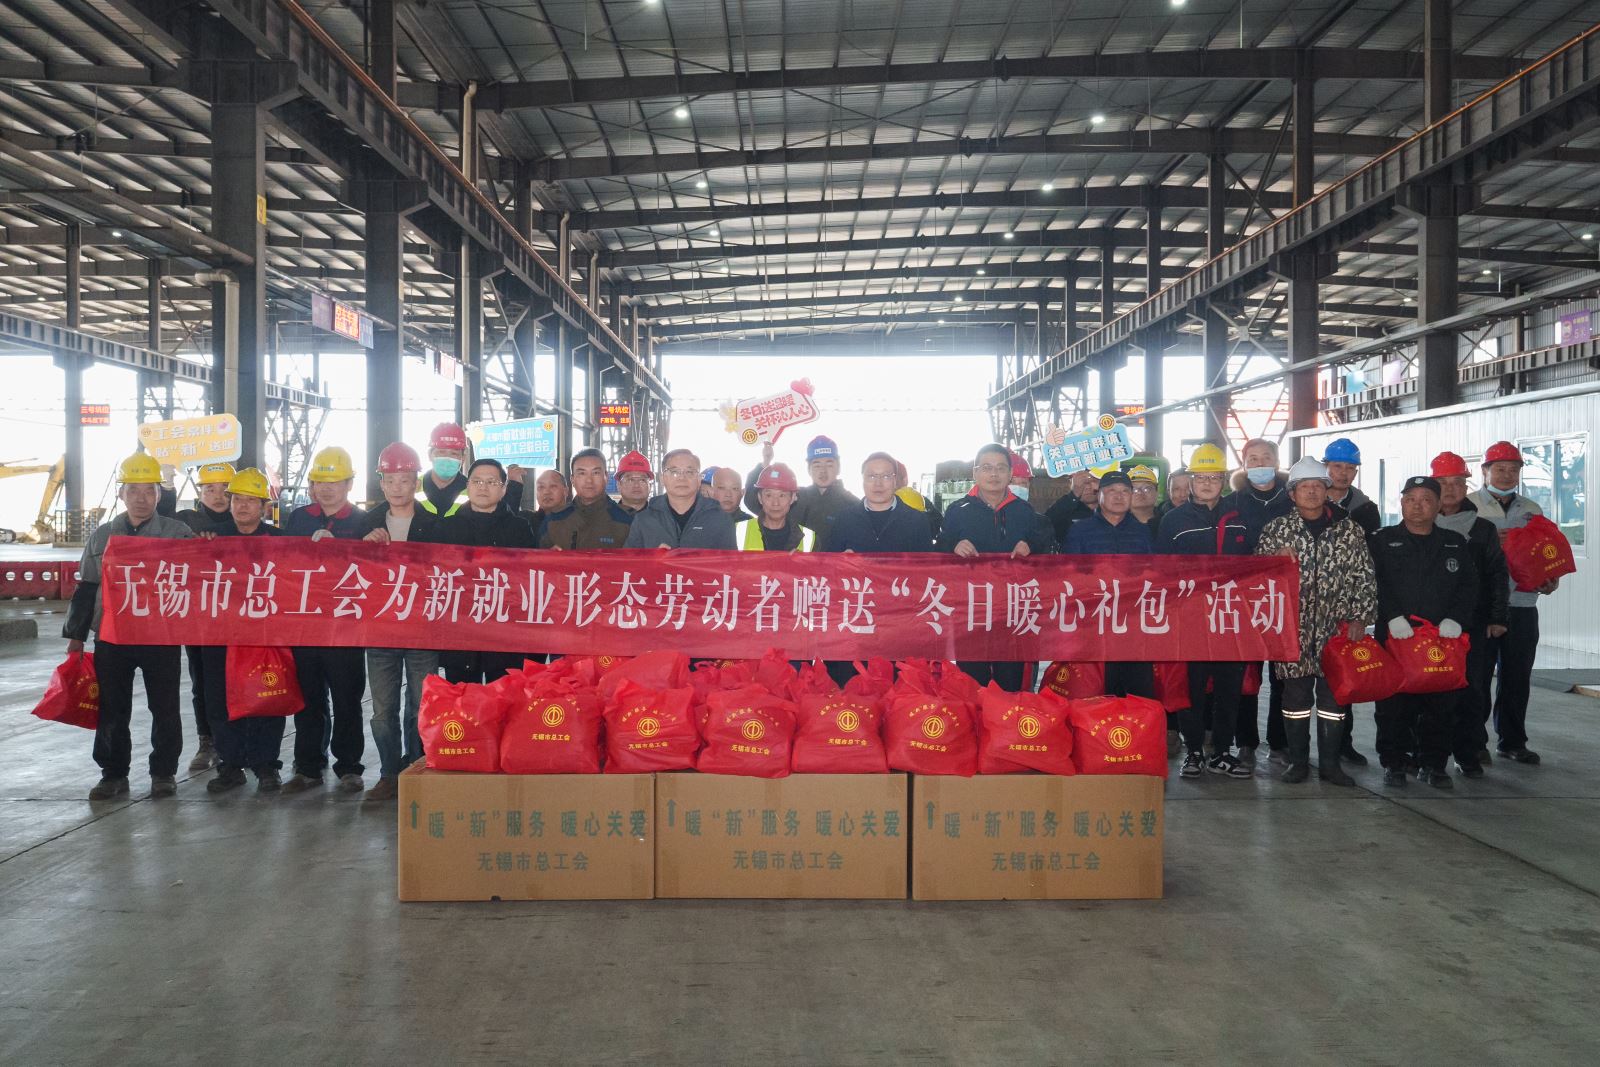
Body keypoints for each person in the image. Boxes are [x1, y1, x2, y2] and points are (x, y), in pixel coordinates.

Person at [63, 452, 195, 800]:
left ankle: (163, 772)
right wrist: (76, 637)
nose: (141, 498)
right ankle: (113, 774)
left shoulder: (177, 534)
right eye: (133, 490)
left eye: (149, 490)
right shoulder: (102, 536)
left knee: (165, 707)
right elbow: (87, 586)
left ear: (159, 494)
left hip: (160, 637)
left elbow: (199, 582)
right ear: (121, 493)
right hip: (112, 636)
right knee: (112, 706)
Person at [1255, 457, 1376, 786]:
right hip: (1291, 630)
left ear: (1327, 491)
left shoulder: (1349, 530)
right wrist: (1272, 558)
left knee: (1333, 699)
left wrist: (1360, 617)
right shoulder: (1277, 530)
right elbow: (1255, 576)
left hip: (1336, 629)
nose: (1311, 492)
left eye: (1317, 486)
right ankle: (1298, 763)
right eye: (1304, 487)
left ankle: (1330, 765)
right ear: (1292, 494)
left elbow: (1364, 575)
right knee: (1294, 699)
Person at [1370, 476, 1478, 789]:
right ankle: (1394, 762)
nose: (1418, 506)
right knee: (1392, 705)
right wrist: (1391, 616)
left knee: (1441, 705)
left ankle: (1434, 764)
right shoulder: (1381, 540)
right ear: (1402, 503)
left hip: (1441, 639)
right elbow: (1373, 583)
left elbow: (1469, 586)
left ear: (1438, 505)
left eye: (1426, 499)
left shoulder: (1454, 542)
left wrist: (1456, 619)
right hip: (1396, 637)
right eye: (1411, 499)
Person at [1157, 444, 1252, 779]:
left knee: (1228, 689)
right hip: (1189, 619)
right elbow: (1160, 571)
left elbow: (1258, 563)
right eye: (1201, 477)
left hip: (1230, 618)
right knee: (1191, 688)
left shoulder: (1240, 518)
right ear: (1191, 480)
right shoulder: (1173, 520)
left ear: (1223, 480)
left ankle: (1222, 752)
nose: (1207, 483)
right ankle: (1194, 752)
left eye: (1214, 477)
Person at [282, 446, 370, 795]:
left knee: (347, 699)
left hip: (345, 627)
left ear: (349, 484)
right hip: (304, 625)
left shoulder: (363, 522)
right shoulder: (298, 519)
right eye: (320, 482)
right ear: (312, 485)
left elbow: (374, 571)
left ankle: (349, 766)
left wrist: (343, 548)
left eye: (335, 482)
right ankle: (308, 766)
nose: (327, 488)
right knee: (308, 699)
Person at [1466, 441, 1560, 765]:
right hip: (1481, 606)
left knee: (1517, 677)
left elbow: (1544, 551)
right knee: (1477, 677)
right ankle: (1473, 743)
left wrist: (1550, 578)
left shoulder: (1532, 509)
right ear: (1485, 471)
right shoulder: (1468, 507)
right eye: (1500, 468)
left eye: (1513, 469)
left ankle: (1512, 741)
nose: (1506, 475)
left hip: (1522, 603)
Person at [199, 468, 289, 795]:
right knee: (220, 699)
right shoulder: (212, 539)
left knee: (267, 698)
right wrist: (201, 547)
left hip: (265, 634)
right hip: (220, 635)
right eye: (237, 499)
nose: (242, 506)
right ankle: (230, 765)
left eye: (251, 500)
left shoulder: (281, 541)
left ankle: (266, 766)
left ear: (264, 507)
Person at [359, 442, 441, 802]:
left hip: (423, 631)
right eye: (390, 479)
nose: (397, 487)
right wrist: (362, 546)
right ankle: (389, 773)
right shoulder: (365, 524)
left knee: (421, 705)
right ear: (381, 483)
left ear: (415, 483)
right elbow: (343, 569)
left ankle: (416, 769)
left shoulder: (435, 525)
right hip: (380, 632)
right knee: (383, 710)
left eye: (404, 479)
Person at [939, 443, 1053, 690]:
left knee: (1010, 684)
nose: (994, 474)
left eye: (1001, 468)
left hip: (1011, 611)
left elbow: (1044, 550)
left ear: (1010, 474)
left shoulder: (1024, 511)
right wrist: (954, 546)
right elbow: (940, 550)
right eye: (987, 468)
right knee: (971, 684)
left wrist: (1030, 545)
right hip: (971, 611)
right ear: (975, 473)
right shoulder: (957, 511)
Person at [1432, 451, 1510, 778]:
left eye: (1457, 483)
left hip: (1472, 622)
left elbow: (1497, 574)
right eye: (1443, 483)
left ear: (1467, 487)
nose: (1450, 489)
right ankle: (1426, 753)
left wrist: (1497, 617)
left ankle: (1470, 750)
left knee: (1472, 687)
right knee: (1427, 687)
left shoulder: (1482, 530)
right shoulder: (1418, 524)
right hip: (1428, 624)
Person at [1062, 470, 1160, 730]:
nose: (1119, 497)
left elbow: (1154, 573)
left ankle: (1135, 741)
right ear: (1100, 495)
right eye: (1112, 491)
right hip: (1094, 626)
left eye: (1125, 491)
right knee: (1097, 690)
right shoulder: (1080, 531)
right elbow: (1069, 575)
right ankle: (1096, 742)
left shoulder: (1142, 532)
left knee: (1137, 691)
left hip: (1134, 626)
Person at [432, 459, 540, 683]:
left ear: (503, 489)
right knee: (463, 700)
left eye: (491, 482)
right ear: (468, 486)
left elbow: (531, 577)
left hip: (505, 632)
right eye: (477, 481)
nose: (483, 487)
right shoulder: (446, 527)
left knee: (504, 699)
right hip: (460, 630)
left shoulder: (519, 528)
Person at [1223, 437, 1293, 762]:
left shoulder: (1292, 499)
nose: (1260, 463)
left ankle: (1279, 742)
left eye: (1266, 457)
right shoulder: (1232, 502)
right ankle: (1246, 741)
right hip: (1243, 600)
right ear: (1244, 463)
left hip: (1286, 601)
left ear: (1277, 462)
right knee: (1246, 675)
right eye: (1253, 458)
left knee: (1283, 675)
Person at [175, 461, 236, 774]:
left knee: (239, 680)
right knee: (202, 682)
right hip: (199, 616)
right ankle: (207, 740)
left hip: (239, 616)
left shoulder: (244, 520)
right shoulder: (187, 521)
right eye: (210, 489)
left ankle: (236, 744)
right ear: (200, 492)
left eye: (225, 489)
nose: (218, 495)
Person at [748, 435, 860, 546]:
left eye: (829, 464)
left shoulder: (852, 505)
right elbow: (752, 501)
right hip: (792, 558)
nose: (823, 471)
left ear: (838, 467)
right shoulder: (795, 496)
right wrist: (765, 463)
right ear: (808, 469)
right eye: (817, 465)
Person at [624, 449, 737, 549]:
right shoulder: (644, 520)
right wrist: (652, 559)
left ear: (699, 479)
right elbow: (629, 563)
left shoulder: (720, 520)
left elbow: (730, 564)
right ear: (662, 479)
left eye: (689, 472)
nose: (682, 478)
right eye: (674, 472)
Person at [826, 452, 936, 554]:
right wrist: (841, 562)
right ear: (862, 480)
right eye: (871, 476)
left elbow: (927, 566)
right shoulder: (844, 519)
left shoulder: (917, 521)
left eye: (886, 476)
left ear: (895, 481)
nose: (878, 483)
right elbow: (830, 564)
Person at [421, 422, 526, 516]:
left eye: (454, 453)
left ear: (463, 458)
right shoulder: (414, 486)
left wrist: (514, 486)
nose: (447, 459)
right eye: (441, 452)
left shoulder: (475, 488)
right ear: (430, 455)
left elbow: (502, 519)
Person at [540, 449, 634, 550]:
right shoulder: (554, 520)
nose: (589, 480)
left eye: (596, 473)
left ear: (606, 477)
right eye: (582, 473)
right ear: (572, 479)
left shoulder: (627, 520)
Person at [735, 463, 815, 551]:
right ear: (760, 498)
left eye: (782, 495)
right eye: (769, 495)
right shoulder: (738, 532)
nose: (775, 503)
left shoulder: (809, 539)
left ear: (792, 498)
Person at [1323, 437, 1381, 535]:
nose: (1344, 473)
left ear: (1355, 473)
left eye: (1350, 468)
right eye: (1338, 466)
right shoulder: (1310, 504)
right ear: (1325, 468)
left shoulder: (1367, 511)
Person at [1045, 469, 1099, 541]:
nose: (1087, 487)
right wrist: (1074, 495)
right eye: (1081, 483)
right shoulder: (1065, 508)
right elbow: (1044, 524)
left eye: (1093, 481)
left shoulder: (1109, 509)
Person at [530, 468, 571, 539]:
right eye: (541, 487)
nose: (546, 492)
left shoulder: (579, 521)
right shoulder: (527, 521)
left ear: (566, 491)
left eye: (553, 486)